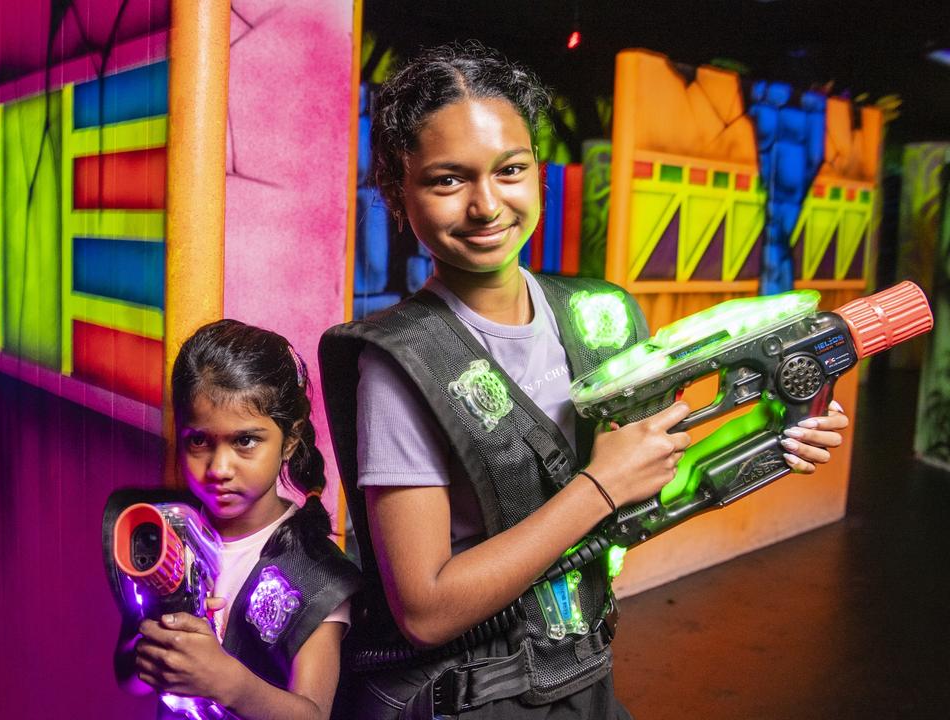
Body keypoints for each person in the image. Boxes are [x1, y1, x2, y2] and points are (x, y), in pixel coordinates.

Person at [318, 41, 849, 719]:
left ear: (538, 172)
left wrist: (775, 438)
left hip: (579, 673)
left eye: (509, 169)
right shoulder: (400, 364)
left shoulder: (597, 317)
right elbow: (425, 609)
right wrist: (598, 487)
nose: (486, 205)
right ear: (398, 191)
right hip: (471, 698)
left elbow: (647, 490)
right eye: (448, 180)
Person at [119, 320, 361, 720]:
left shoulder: (317, 573)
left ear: (290, 440)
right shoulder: (165, 538)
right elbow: (126, 676)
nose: (219, 467)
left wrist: (224, 679)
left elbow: (313, 714)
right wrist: (153, 647)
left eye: (245, 441)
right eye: (199, 441)